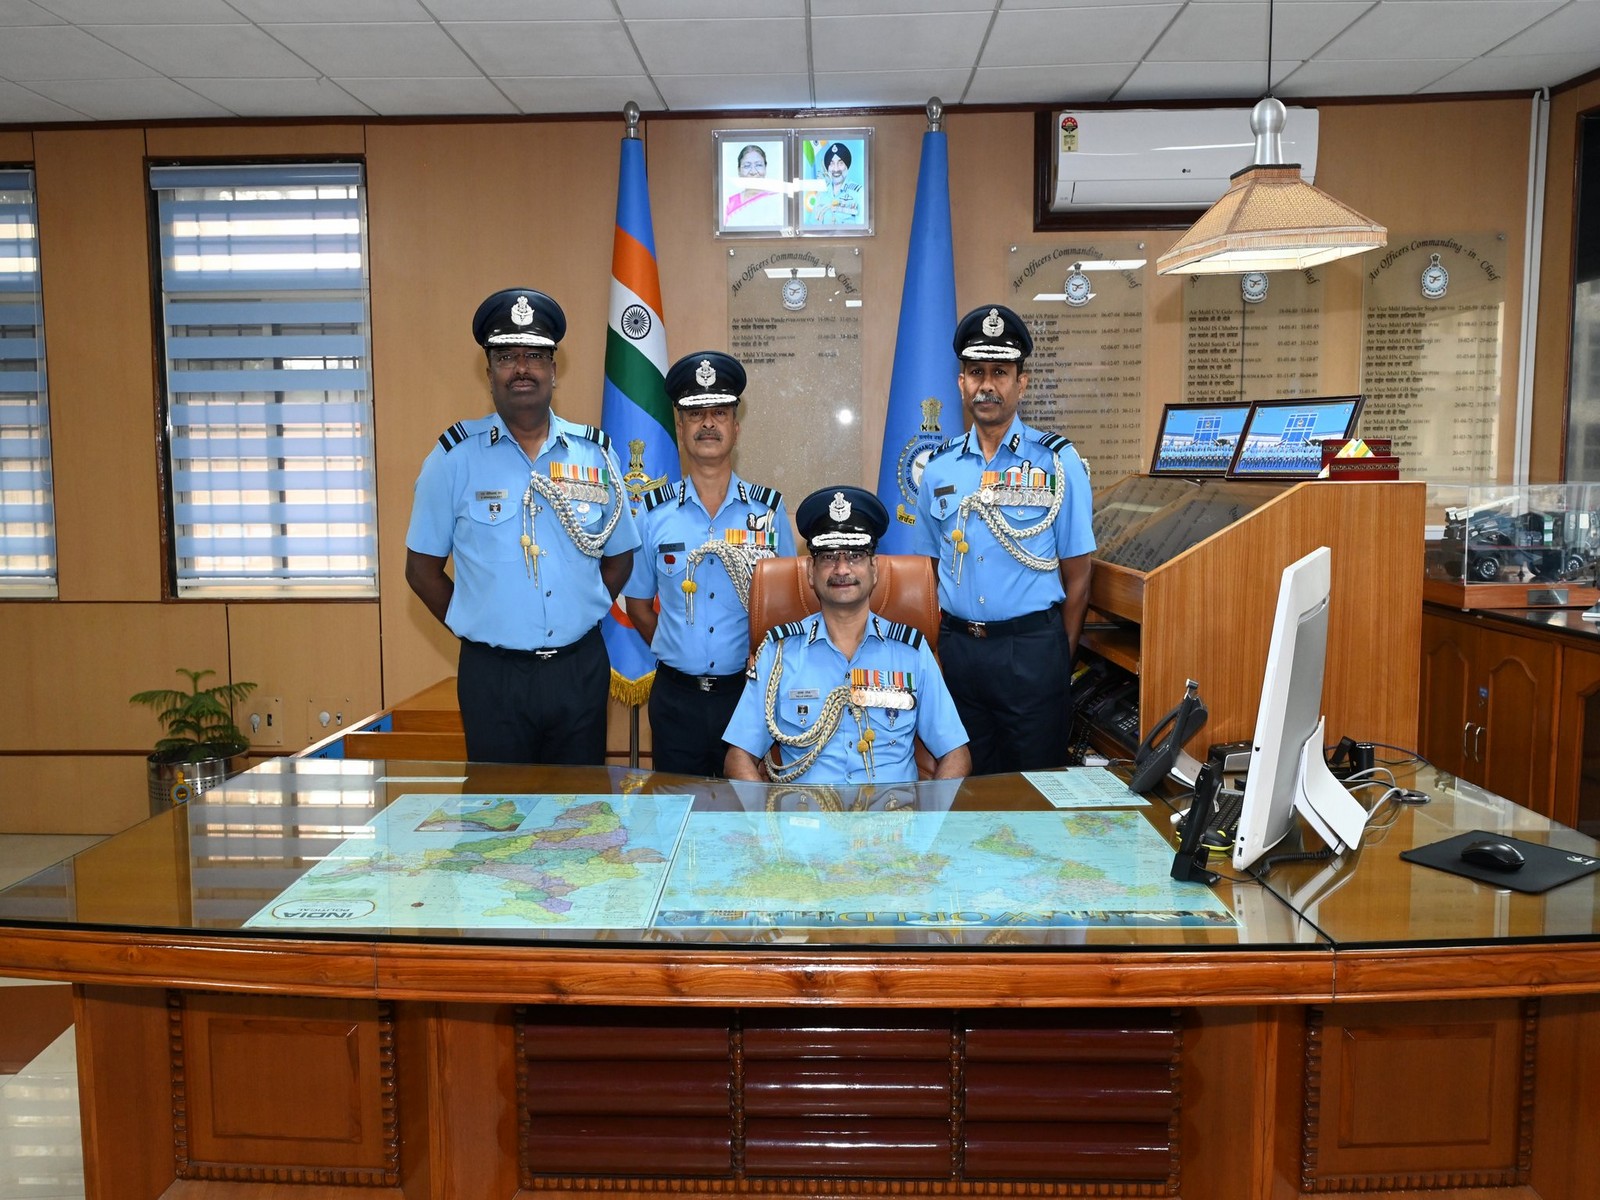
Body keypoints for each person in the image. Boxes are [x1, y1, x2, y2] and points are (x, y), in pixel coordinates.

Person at [405, 287, 639, 766]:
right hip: (494, 677)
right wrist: (479, 622)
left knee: (580, 823)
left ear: (554, 369)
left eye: (535, 355)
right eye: (507, 356)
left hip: (579, 670)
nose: (522, 368)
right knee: (497, 823)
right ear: (488, 370)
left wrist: (584, 605)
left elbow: (620, 555)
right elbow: (421, 570)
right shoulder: (453, 459)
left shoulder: (596, 455)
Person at [911, 303, 1094, 775]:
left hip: (1031, 652)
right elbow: (931, 570)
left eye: (1000, 371)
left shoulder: (1057, 464)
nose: (987, 384)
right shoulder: (939, 468)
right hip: (960, 654)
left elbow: (1078, 576)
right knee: (965, 792)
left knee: (1034, 796)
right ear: (961, 383)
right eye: (976, 371)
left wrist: (1057, 658)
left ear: (1021, 383)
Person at [624, 351, 796, 777]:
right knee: (676, 815)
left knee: (747, 822)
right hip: (675, 699)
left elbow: (791, 610)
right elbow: (639, 607)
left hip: (748, 696)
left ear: (736, 427)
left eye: (719, 412)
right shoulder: (652, 513)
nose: (707, 424)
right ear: (679, 426)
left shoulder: (769, 515)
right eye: (695, 413)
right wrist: (679, 650)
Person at [724, 487, 969, 785]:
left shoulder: (912, 652)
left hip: (893, 822)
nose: (842, 569)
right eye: (828, 557)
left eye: (855, 556)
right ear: (810, 573)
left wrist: (930, 823)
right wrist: (768, 827)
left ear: (874, 569)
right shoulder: (778, 654)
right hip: (804, 822)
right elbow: (739, 757)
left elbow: (955, 753)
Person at [724, 143, 783, 228]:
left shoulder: (777, 200)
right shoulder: (730, 203)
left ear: (765, 168)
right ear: (738, 170)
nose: (753, 172)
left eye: (758, 165)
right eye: (747, 166)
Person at [806, 141, 862, 227]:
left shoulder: (858, 193)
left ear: (847, 166)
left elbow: (863, 230)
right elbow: (811, 226)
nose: (836, 169)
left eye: (840, 163)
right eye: (831, 164)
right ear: (827, 168)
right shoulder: (821, 193)